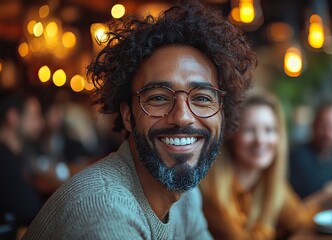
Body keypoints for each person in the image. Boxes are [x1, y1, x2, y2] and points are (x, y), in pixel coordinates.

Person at [23, 1, 256, 239]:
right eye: (158, 98)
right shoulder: (104, 210)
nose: (182, 116)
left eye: (202, 98)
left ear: (222, 113)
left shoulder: (185, 196)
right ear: (127, 116)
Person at [200, 92, 330, 239]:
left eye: (269, 130)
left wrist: (327, 196)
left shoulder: (271, 182)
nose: (260, 140)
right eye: (249, 129)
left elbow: (298, 220)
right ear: (230, 134)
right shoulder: (212, 188)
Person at [289, 100, 332, 198]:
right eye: (324, 126)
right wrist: (324, 195)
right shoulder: (296, 157)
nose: (329, 134)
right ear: (314, 126)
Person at [0, 90, 44, 235]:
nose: (40, 123)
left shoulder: (16, 156)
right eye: (34, 116)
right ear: (13, 117)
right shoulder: (4, 159)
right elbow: (31, 210)